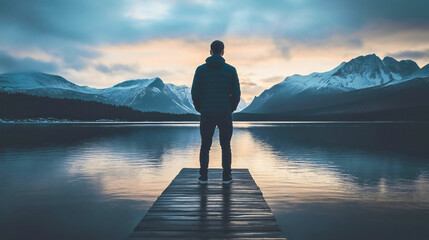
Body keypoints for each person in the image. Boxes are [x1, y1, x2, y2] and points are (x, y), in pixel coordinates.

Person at [191, 40, 241, 184]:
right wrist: (230, 108)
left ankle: (203, 177)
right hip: (225, 113)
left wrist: (201, 108)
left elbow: (195, 93)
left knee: (205, 146)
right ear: (223, 52)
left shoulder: (200, 70)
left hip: (207, 113)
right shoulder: (231, 70)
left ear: (210, 51)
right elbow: (236, 94)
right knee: (226, 146)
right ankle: (226, 178)